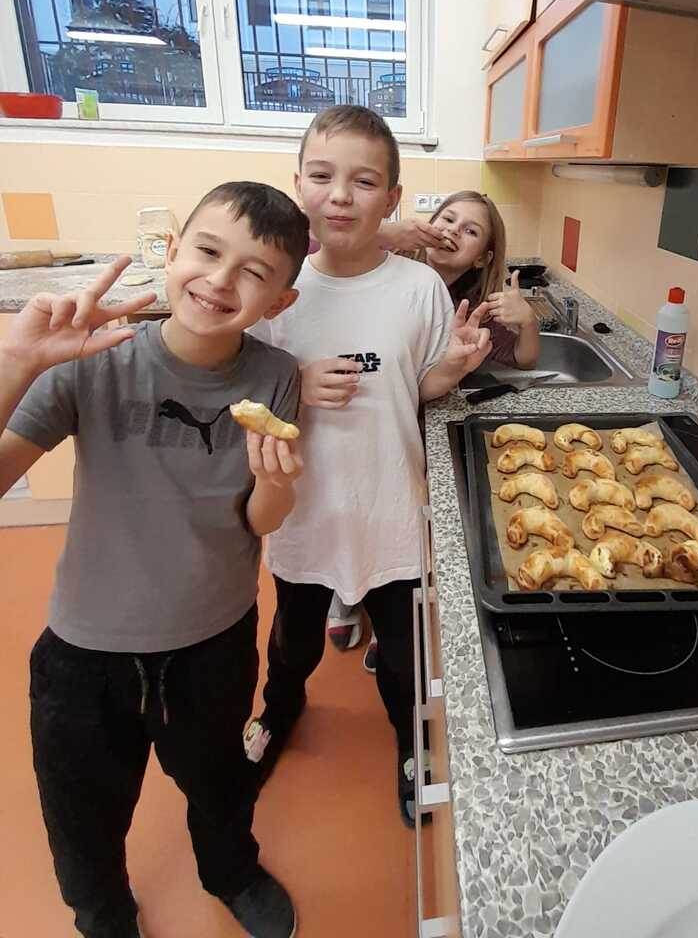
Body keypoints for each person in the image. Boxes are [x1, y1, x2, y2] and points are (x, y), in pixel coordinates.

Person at [0, 183, 310, 938]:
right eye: (207, 251)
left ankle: (230, 871)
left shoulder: (276, 375)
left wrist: (276, 484)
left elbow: (258, 519)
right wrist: (16, 362)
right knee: (81, 812)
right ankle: (103, 915)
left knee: (221, 785)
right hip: (85, 653)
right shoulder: (94, 357)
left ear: (280, 301)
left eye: (253, 272)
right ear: (170, 254)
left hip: (214, 643)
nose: (220, 280)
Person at [242, 106, 490, 825]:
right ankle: (278, 710)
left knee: (406, 655)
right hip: (304, 509)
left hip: (390, 508)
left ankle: (411, 745)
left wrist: (453, 368)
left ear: (392, 198)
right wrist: (295, 383)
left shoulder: (419, 288)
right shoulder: (276, 291)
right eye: (322, 176)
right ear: (297, 184)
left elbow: (417, 387)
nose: (341, 196)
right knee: (292, 641)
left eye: (364, 181)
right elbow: (238, 387)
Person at [327, 190, 541, 660]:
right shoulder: (380, 267)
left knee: (399, 515)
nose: (452, 232)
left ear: (483, 256)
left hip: (427, 428)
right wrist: (386, 233)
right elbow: (320, 240)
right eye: (447, 219)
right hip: (366, 414)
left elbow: (524, 359)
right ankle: (345, 591)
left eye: (470, 230)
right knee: (352, 503)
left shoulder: (477, 305)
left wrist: (528, 322)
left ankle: (389, 612)